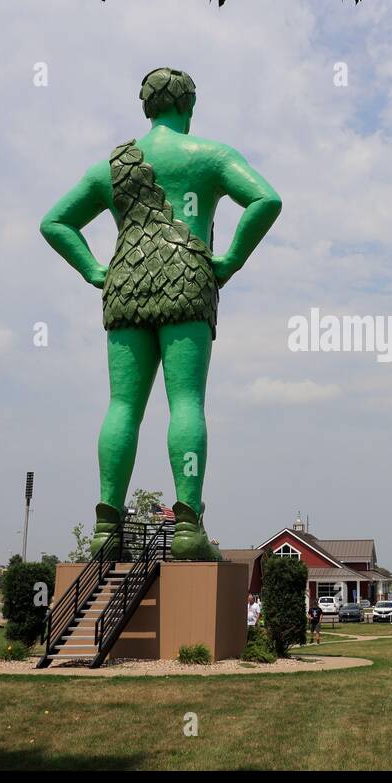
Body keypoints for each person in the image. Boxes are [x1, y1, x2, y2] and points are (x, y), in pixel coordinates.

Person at [40, 67, 282, 561]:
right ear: (188, 106)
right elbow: (266, 199)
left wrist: (94, 270)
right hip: (188, 281)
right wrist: (230, 260)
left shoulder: (110, 168)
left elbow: (55, 222)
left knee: (121, 406)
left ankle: (106, 530)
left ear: (146, 108)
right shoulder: (210, 155)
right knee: (186, 402)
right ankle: (188, 527)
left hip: (125, 287)